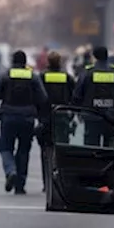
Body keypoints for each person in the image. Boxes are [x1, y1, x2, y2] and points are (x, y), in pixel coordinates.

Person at [0, 50, 47, 194]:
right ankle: (20, 186)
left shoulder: (6, 75)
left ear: (12, 61)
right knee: (23, 150)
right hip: (27, 118)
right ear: (25, 62)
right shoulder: (32, 77)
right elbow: (43, 98)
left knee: (5, 147)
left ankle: (10, 170)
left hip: (8, 116)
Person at [37, 51, 73, 191]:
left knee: (45, 152)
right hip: (62, 118)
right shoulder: (66, 77)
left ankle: (46, 183)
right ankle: (60, 181)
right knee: (61, 152)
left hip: (46, 118)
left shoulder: (42, 77)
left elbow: (38, 96)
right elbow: (74, 96)